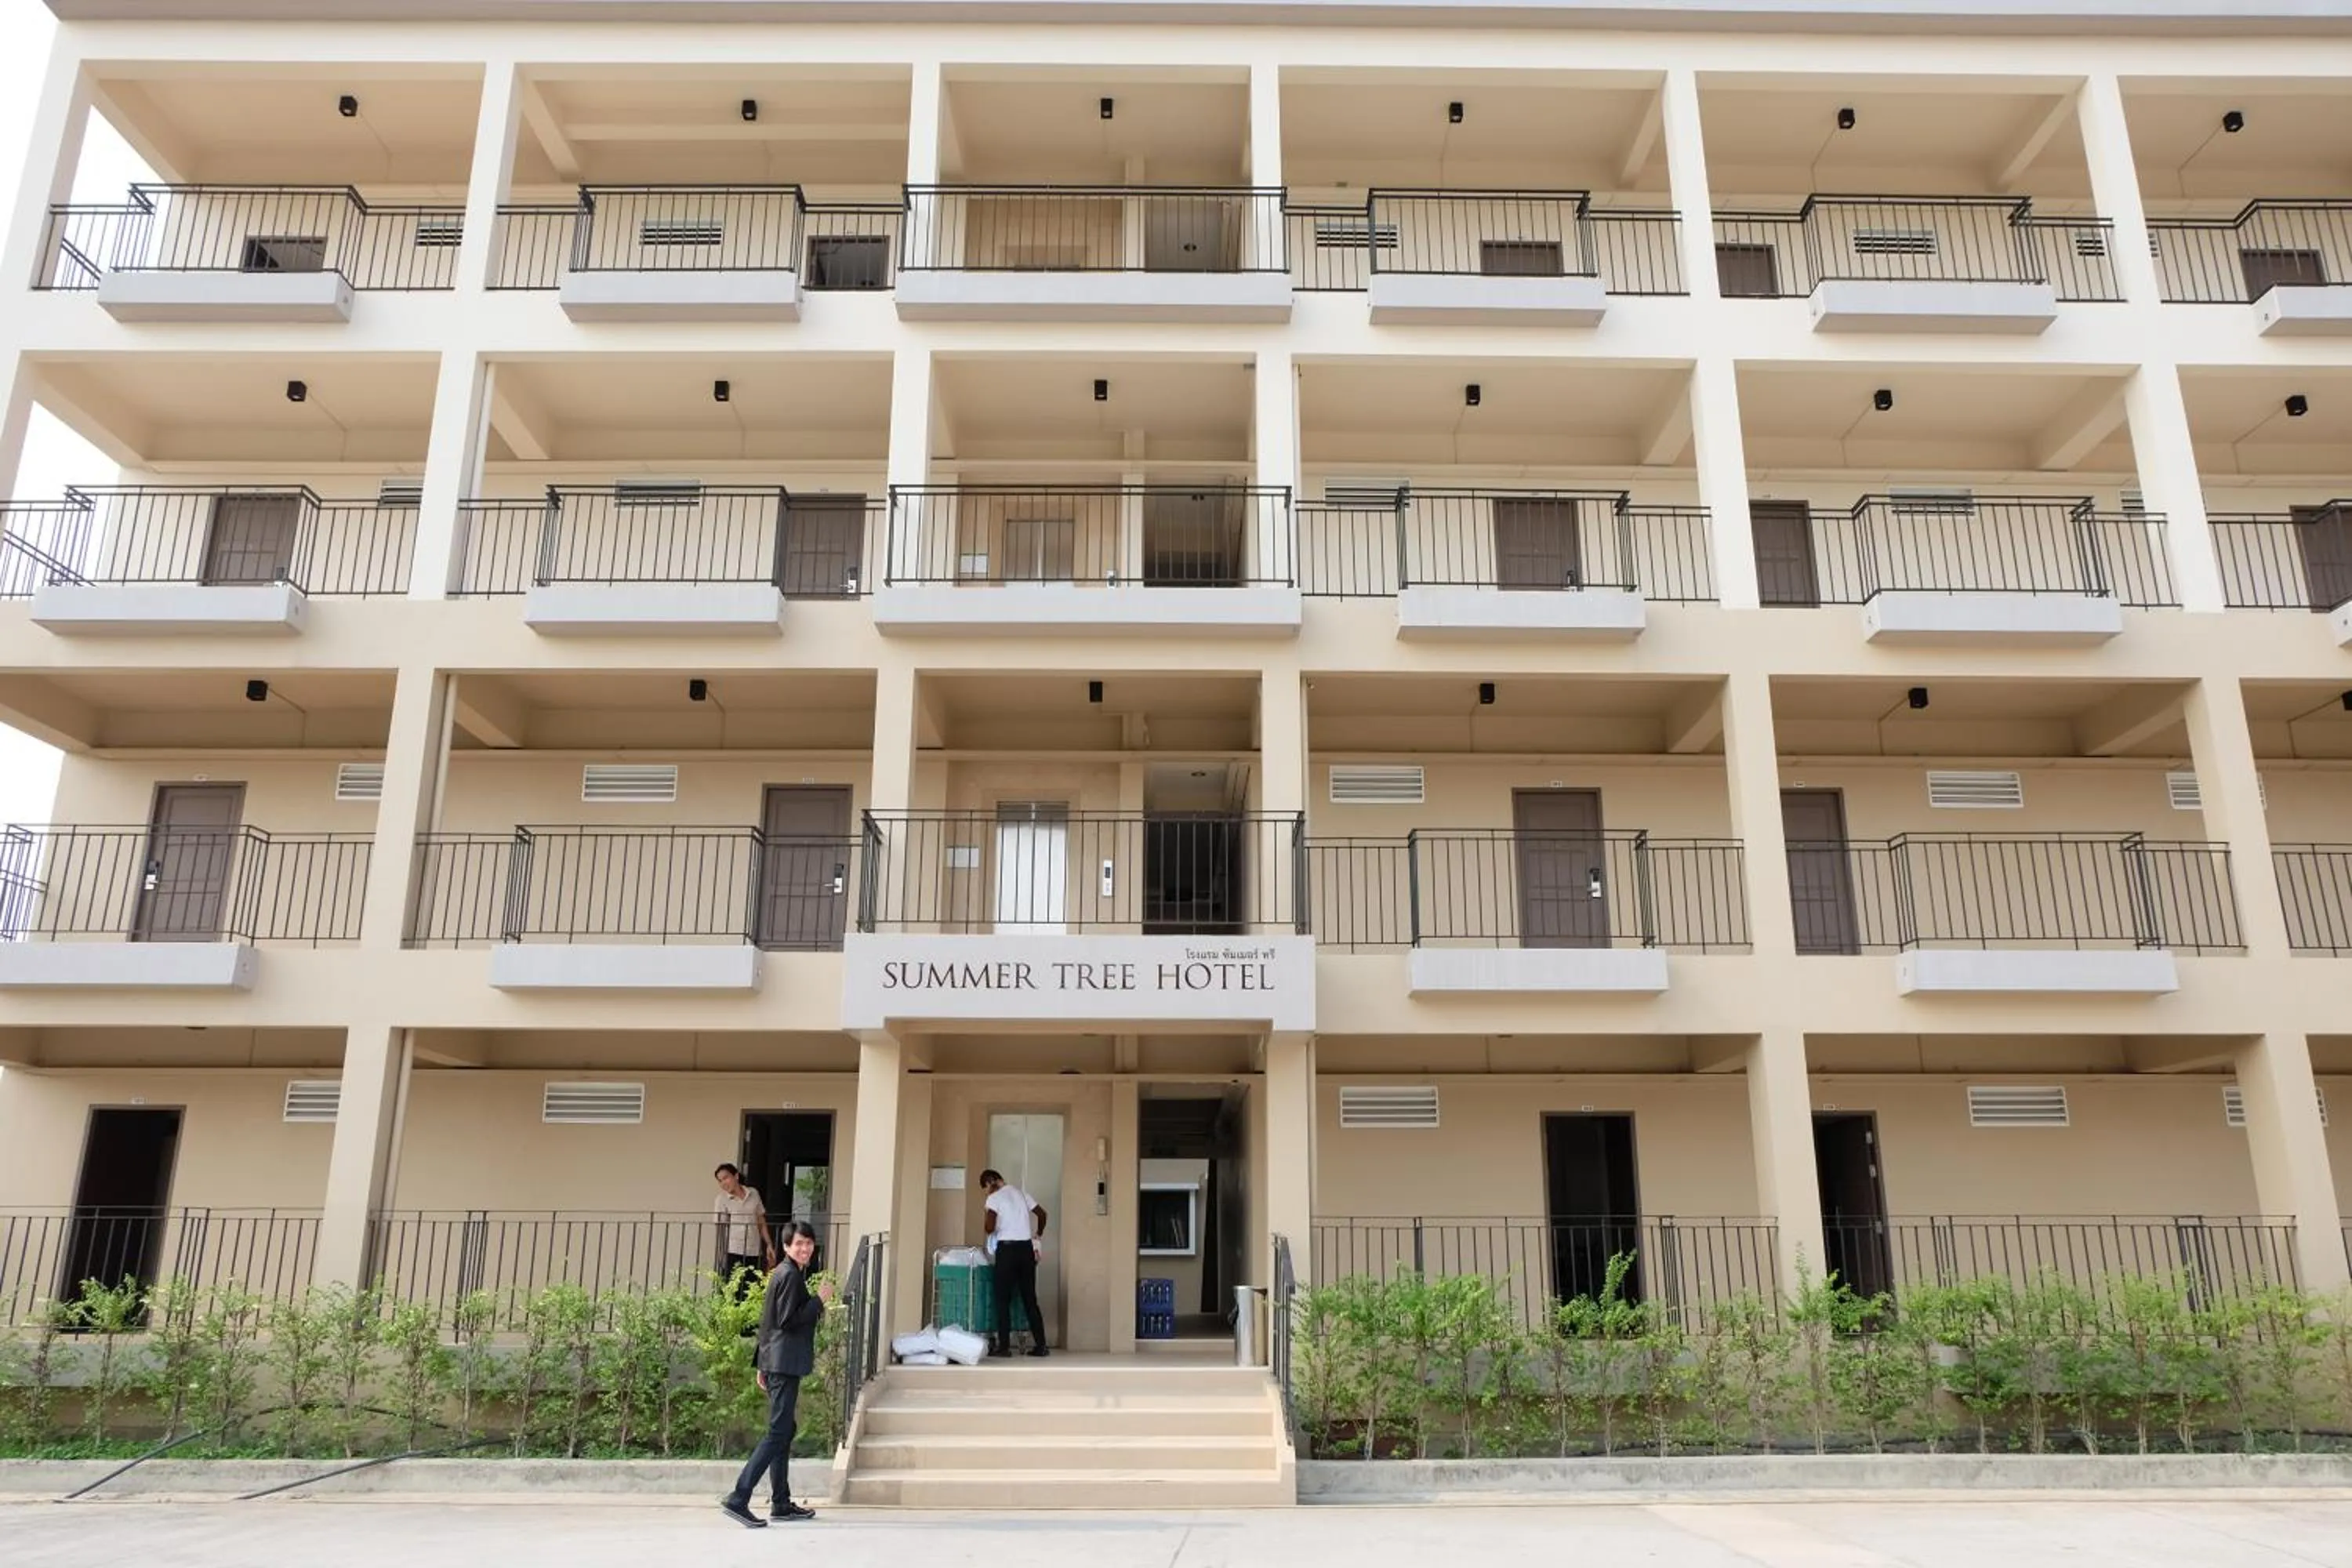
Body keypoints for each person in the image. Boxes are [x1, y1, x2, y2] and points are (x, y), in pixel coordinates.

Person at [720, 1221, 833, 1528]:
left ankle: (781, 1503)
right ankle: (739, 1498)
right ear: (785, 1247)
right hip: (783, 1365)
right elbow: (787, 1320)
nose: (805, 1248)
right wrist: (819, 1301)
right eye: (798, 1244)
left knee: (784, 1429)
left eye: (809, 1243)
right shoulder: (790, 1276)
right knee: (777, 1433)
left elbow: (767, 1322)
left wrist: (762, 1363)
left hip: (777, 1363)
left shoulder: (785, 1274)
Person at [978, 1168, 1049, 1358]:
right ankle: (1041, 1346)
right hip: (1026, 1250)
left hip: (1007, 1251)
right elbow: (1042, 1214)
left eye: (985, 1188)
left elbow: (989, 1227)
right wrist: (1038, 1235)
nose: (987, 1192)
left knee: (1002, 1299)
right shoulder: (1020, 1193)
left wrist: (989, 1215)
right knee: (1030, 1299)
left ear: (989, 1183)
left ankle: (1004, 1348)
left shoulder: (993, 1199)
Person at [711, 1163, 773, 1297]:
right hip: (733, 1251)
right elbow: (721, 1229)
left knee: (751, 1292)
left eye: (726, 1178)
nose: (723, 1183)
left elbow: (761, 1220)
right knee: (733, 1293)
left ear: (736, 1176)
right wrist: (721, 1255)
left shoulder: (754, 1193)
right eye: (720, 1181)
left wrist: (769, 1244)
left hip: (754, 1251)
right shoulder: (721, 1200)